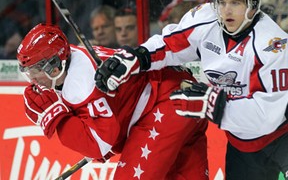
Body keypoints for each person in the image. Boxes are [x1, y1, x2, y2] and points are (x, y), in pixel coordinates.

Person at [95, 0, 288, 180]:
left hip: (282, 137)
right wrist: (136, 58)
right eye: (222, 2)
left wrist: (213, 105)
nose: (226, 10)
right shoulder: (206, 19)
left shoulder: (272, 45)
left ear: (253, 4)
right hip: (240, 142)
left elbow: (267, 118)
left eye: (236, 2)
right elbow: (169, 45)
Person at [17, 23, 209, 179]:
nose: (32, 80)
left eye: (35, 71)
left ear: (54, 67)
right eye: (27, 73)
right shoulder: (70, 59)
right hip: (179, 95)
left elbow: (98, 145)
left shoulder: (82, 83)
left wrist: (55, 118)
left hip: (165, 103)